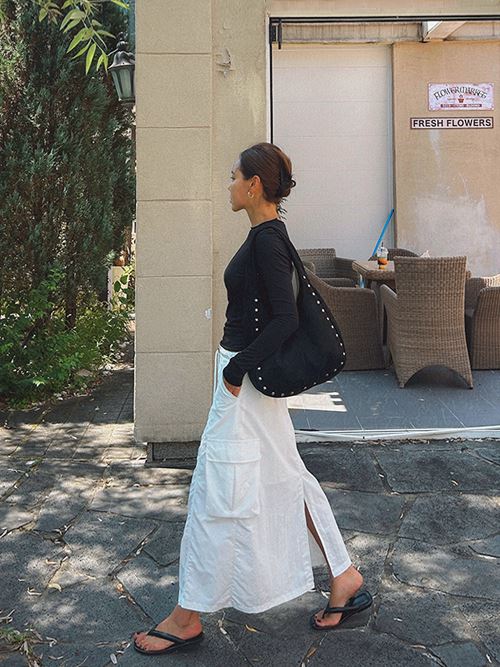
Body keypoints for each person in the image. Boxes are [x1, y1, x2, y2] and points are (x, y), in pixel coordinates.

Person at [133, 142, 372, 656]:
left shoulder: (267, 240)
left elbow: (284, 319)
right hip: (248, 382)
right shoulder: (268, 235)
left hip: (243, 385)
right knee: (285, 475)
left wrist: (236, 368)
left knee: (215, 488)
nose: (229, 185)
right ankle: (344, 576)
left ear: (254, 185)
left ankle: (186, 617)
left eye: (234, 176)